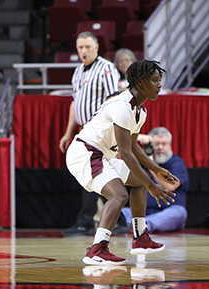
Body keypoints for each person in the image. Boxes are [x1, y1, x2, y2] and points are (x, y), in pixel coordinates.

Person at [66, 60, 180, 265]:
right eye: (155, 80)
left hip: (103, 154)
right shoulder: (122, 106)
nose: (159, 85)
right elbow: (126, 155)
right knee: (119, 195)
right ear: (142, 82)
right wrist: (152, 184)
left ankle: (140, 237)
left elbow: (133, 146)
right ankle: (97, 249)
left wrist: (156, 170)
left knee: (138, 182)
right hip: (85, 152)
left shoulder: (140, 111)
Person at [58, 31, 123, 236]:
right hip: (83, 130)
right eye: (80, 47)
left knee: (94, 172)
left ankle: (86, 221)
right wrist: (68, 132)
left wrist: (116, 136)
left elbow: (115, 101)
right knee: (93, 174)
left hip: (99, 132)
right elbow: (74, 104)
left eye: (87, 47)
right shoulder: (78, 71)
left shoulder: (107, 68)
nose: (83, 51)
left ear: (97, 47)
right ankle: (118, 220)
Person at [122, 127, 190, 232]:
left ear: (170, 146)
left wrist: (150, 164)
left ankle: (142, 226)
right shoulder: (139, 163)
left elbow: (171, 186)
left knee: (179, 213)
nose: (160, 147)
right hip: (139, 212)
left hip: (167, 212)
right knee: (120, 211)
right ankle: (134, 225)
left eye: (164, 144)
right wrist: (133, 141)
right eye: (157, 144)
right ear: (149, 146)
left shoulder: (176, 162)